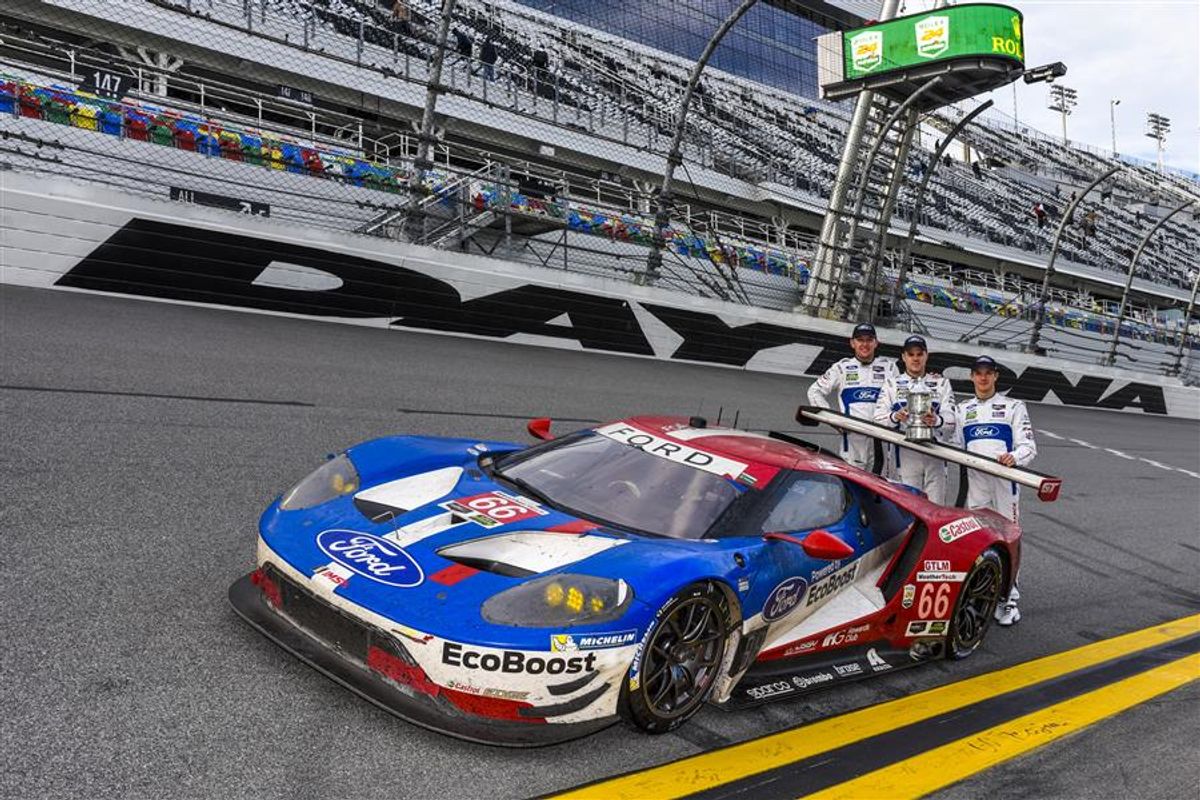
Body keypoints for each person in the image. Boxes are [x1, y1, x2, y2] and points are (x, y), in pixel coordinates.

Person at [953, 356, 1037, 626]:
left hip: (1005, 484)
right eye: (978, 373)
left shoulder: (1013, 406)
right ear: (971, 376)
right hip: (976, 484)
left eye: (988, 373)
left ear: (996, 376)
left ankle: (1009, 598)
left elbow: (1029, 447)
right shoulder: (962, 409)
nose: (983, 378)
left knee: (1008, 539)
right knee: (976, 540)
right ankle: (980, 590)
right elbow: (952, 445)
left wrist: (1014, 457)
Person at [873, 335, 956, 504]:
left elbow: (952, 422)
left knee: (935, 509)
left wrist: (937, 420)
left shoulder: (941, 383)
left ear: (926, 355)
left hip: (935, 455)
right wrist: (896, 417)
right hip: (904, 454)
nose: (915, 358)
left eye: (919, 354)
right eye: (911, 354)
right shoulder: (892, 384)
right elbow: (878, 419)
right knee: (907, 509)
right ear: (904, 357)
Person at [806, 323, 898, 472]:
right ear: (852, 343)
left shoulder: (890, 368)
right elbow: (814, 391)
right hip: (853, 442)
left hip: (882, 442)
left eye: (869, 340)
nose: (865, 344)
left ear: (876, 343)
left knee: (880, 488)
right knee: (852, 489)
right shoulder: (842, 368)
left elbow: (903, 397)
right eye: (860, 340)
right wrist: (833, 420)